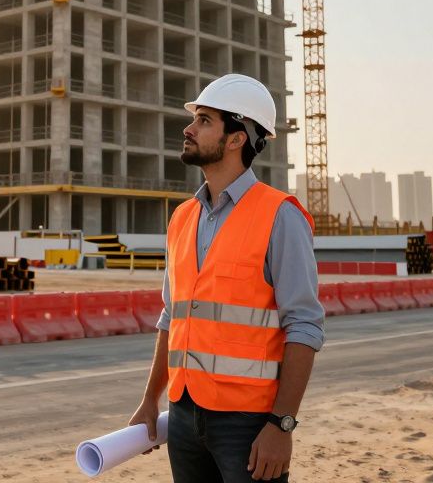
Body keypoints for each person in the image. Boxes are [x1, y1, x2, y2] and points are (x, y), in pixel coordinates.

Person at [128, 73, 324, 482]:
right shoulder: (182, 218)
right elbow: (172, 317)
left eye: (204, 120)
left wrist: (282, 425)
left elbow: (303, 326)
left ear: (236, 138)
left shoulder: (280, 216)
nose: (188, 128)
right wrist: (150, 399)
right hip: (183, 416)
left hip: (249, 425)